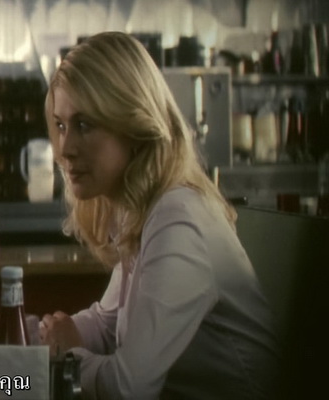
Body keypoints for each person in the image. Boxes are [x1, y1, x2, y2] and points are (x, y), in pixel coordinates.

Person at [38, 32, 279, 399]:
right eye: (60, 125)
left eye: (84, 125)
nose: (64, 148)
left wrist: (66, 356)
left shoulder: (177, 218)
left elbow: (129, 387)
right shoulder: (139, 207)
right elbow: (107, 323)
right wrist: (35, 335)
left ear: (134, 125)